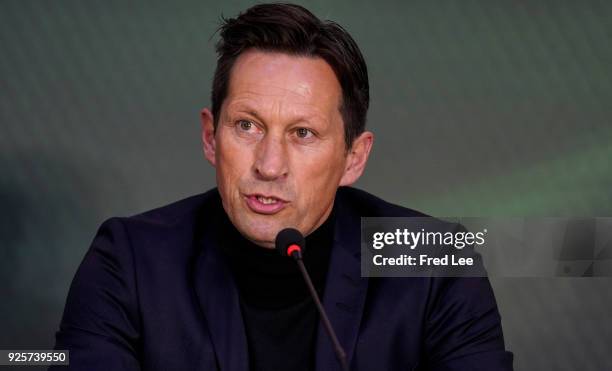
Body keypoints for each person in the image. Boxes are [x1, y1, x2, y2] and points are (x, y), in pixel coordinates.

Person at [52, 3, 513, 370]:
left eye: (303, 134)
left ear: (355, 158)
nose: (270, 166)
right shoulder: (129, 261)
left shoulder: (434, 263)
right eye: (248, 126)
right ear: (211, 136)